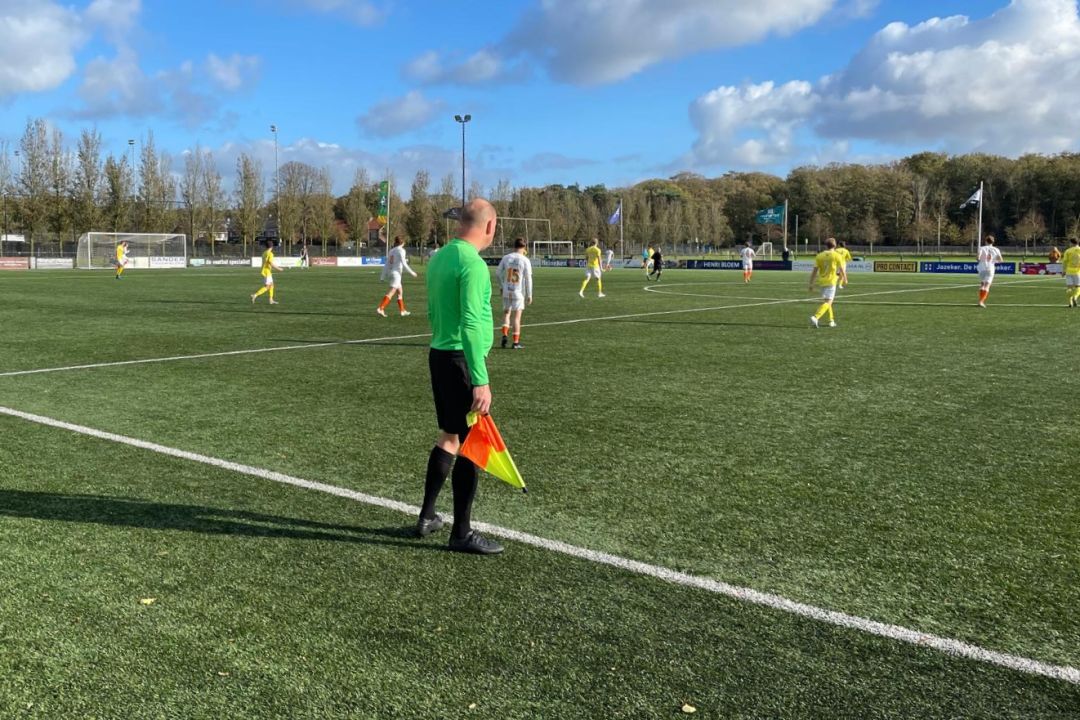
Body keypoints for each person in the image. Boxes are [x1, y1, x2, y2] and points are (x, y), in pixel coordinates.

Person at [417, 198, 503, 555]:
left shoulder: (439, 258)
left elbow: (433, 309)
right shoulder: (473, 264)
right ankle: (461, 533)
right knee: (472, 443)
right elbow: (470, 321)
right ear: (489, 226)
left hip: (440, 355)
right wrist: (479, 378)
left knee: (449, 436)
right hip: (461, 362)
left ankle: (427, 516)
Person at [497, 238, 533, 349]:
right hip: (518, 293)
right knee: (517, 318)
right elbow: (528, 279)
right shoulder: (525, 260)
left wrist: (501, 286)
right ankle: (516, 343)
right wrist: (529, 294)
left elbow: (498, 273)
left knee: (507, 313)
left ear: (514, 246)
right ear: (524, 247)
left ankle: (504, 335)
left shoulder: (506, 257)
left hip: (507, 291)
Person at [808, 237, 847, 328]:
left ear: (826, 245)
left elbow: (814, 271)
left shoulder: (819, 256)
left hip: (822, 282)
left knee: (827, 302)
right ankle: (816, 317)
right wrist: (845, 278)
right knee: (828, 302)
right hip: (831, 281)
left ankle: (831, 321)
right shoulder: (837, 255)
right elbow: (841, 269)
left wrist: (811, 283)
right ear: (835, 245)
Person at [377, 236, 417, 317]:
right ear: (403, 242)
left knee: (400, 292)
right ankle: (381, 308)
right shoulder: (401, 250)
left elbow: (387, 264)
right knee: (392, 292)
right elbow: (404, 263)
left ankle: (402, 311)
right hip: (396, 274)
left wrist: (382, 276)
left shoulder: (391, 250)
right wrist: (412, 273)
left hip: (391, 273)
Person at [251, 239, 283, 304]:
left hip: (264, 270)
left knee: (271, 285)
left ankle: (271, 300)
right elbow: (270, 263)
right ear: (272, 247)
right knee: (267, 286)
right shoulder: (270, 254)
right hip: (267, 271)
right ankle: (255, 295)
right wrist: (278, 269)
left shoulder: (264, 253)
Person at [977, 234, 1003, 308]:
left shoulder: (981, 248)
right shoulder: (996, 249)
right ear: (993, 242)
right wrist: (993, 261)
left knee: (982, 284)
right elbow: (1001, 260)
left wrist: (981, 260)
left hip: (981, 267)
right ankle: (981, 301)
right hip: (990, 268)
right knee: (987, 285)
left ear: (986, 241)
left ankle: (980, 300)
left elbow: (978, 258)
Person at [1063, 238, 1080, 307]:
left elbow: (1064, 261)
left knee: (1069, 287)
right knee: (1078, 286)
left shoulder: (1068, 251)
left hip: (1069, 271)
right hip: (1077, 271)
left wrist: (1063, 271)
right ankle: (1075, 297)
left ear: (1071, 243)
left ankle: (1070, 302)